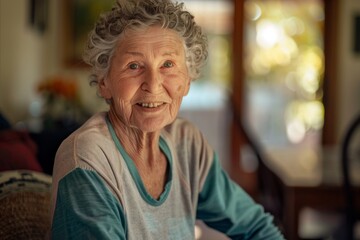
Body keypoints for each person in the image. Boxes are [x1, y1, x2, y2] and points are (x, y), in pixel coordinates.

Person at [50, 0, 284, 239]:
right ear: (104, 82)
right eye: (134, 66)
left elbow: (256, 227)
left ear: (188, 80)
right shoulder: (88, 159)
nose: (153, 84)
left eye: (168, 64)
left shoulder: (186, 143)